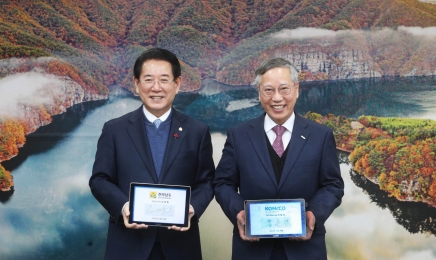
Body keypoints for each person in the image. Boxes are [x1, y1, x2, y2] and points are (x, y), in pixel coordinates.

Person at [90, 48, 215, 260]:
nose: (156, 88)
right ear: (137, 85)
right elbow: (100, 180)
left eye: (164, 80)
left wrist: (192, 208)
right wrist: (123, 206)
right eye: (148, 80)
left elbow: (207, 182)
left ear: (177, 84)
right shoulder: (115, 129)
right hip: (128, 245)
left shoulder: (197, 131)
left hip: (181, 246)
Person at [213, 58, 344, 260]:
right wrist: (239, 213)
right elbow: (223, 183)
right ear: (259, 92)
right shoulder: (238, 135)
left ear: (296, 89)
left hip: (306, 249)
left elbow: (333, 185)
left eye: (284, 89)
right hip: (252, 249)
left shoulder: (321, 135)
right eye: (268, 90)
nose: (276, 98)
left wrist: (314, 215)